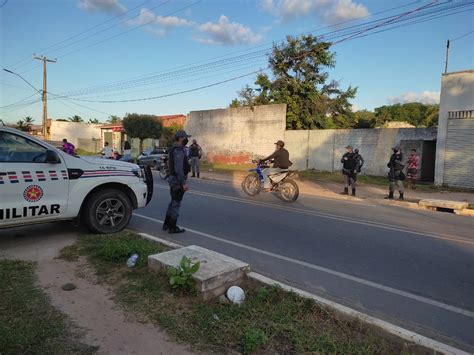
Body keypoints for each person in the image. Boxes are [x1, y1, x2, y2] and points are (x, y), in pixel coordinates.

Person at [163, 130, 191, 234]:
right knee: (176, 203)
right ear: (181, 138)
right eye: (185, 137)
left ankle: (167, 224)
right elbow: (178, 168)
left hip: (173, 179)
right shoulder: (178, 150)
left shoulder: (174, 148)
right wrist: (183, 183)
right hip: (177, 180)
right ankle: (172, 227)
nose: (186, 139)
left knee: (173, 202)